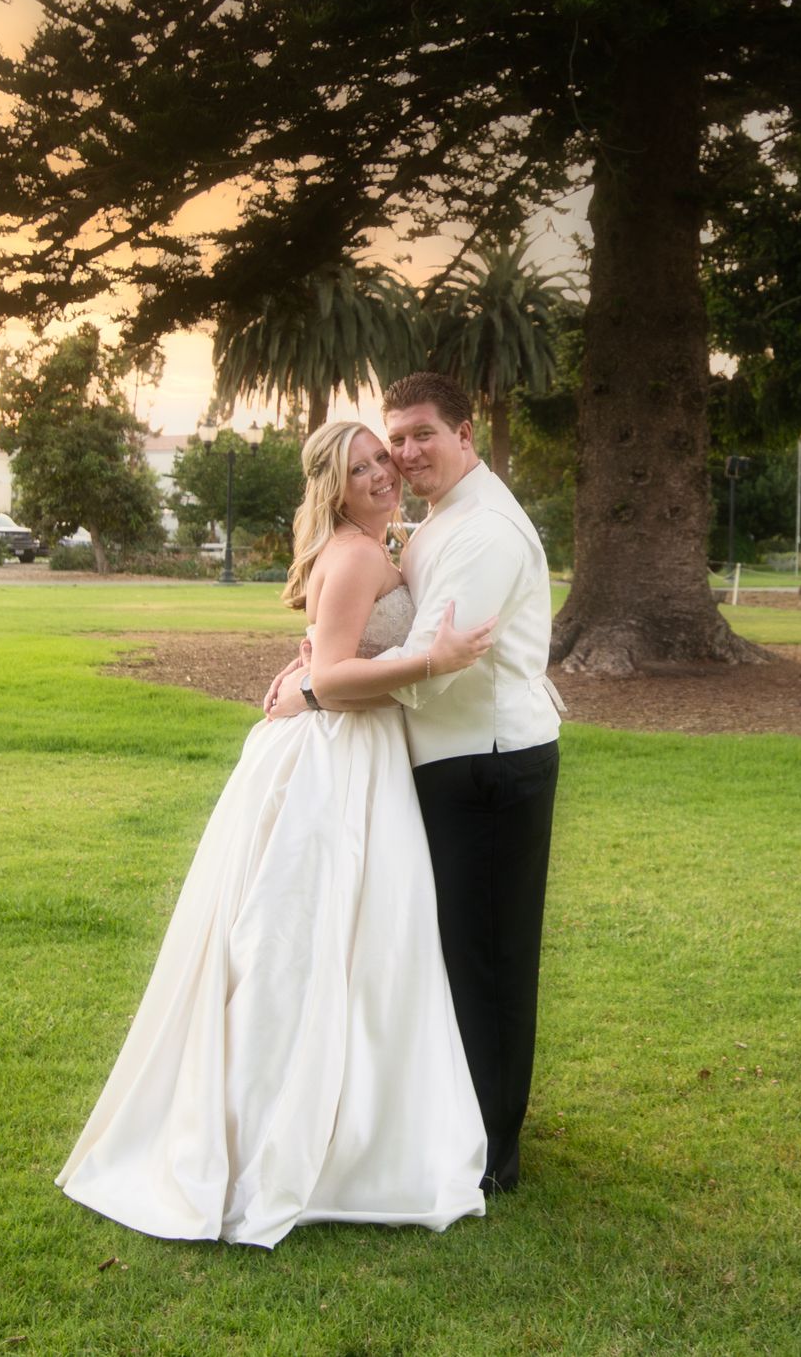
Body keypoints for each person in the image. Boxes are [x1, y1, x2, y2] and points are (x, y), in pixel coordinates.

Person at [57, 419, 498, 1248]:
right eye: (360, 466)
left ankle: (339, 1127)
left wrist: (310, 670)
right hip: (334, 761)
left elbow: (325, 661)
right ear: (331, 485)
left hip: (350, 749)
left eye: (382, 461)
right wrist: (429, 662)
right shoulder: (361, 552)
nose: (380, 475)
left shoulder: (366, 545)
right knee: (308, 940)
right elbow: (335, 674)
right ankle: (293, 1138)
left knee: (339, 942)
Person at [266, 372, 563, 1194]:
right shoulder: (432, 523)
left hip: (489, 763)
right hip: (436, 763)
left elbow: (432, 667)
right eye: (395, 439)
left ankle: (492, 1156)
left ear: (467, 434)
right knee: (444, 956)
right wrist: (319, 661)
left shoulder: (484, 532)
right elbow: (359, 629)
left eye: (422, 434)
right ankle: (446, 1119)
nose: (404, 454)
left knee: (490, 962)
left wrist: (316, 686)